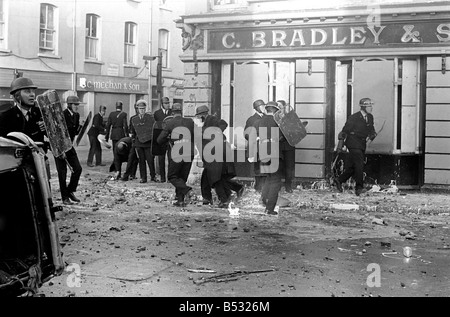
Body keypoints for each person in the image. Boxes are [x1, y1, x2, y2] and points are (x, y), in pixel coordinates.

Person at [195, 105, 244, 208]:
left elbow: (223, 123)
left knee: (216, 178)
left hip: (216, 155)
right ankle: (210, 198)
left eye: (199, 116)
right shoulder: (206, 123)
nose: (199, 118)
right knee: (208, 178)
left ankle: (224, 199)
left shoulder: (211, 119)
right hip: (215, 154)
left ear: (203, 114)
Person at [334, 97, 377, 196]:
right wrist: (342, 144)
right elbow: (345, 130)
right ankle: (359, 188)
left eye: (371, 106)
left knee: (354, 166)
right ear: (363, 107)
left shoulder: (370, 117)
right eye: (369, 106)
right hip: (353, 143)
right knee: (359, 164)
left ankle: (339, 180)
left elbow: (371, 129)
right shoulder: (354, 117)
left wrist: (372, 134)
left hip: (362, 144)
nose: (371, 108)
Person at [157, 103, 195, 207]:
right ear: (181, 112)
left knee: (172, 176)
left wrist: (169, 137)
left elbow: (159, 140)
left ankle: (187, 191)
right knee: (182, 177)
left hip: (177, 152)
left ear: (172, 112)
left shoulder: (170, 123)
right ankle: (180, 200)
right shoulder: (190, 122)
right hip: (190, 152)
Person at [53, 95, 83, 205]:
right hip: (59, 147)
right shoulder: (61, 115)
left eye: (77, 105)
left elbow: (74, 132)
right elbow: (56, 133)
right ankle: (64, 197)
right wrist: (61, 150)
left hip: (69, 146)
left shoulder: (76, 115)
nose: (77, 107)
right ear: (69, 105)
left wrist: (81, 127)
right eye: (75, 105)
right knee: (62, 172)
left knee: (78, 169)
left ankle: (70, 191)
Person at [258, 101, 286, 215]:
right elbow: (284, 136)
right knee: (275, 181)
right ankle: (270, 208)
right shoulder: (277, 121)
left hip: (263, 152)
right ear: (275, 110)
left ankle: (264, 200)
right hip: (274, 152)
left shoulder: (260, 121)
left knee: (268, 178)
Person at [0, 77, 46, 145]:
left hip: (40, 154)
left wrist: (48, 129)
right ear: (17, 96)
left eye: (33, 91)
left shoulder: (41, 113)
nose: (32, 94)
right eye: (27, 91)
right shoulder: (5, 117)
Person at [130, 99, 156, 183]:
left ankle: (153, 176)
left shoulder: (150, 118)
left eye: (143, 109)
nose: (142, 110)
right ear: (137, 109)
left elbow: (153, 129)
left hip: (148, 143)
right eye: (140, 109)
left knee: (150, 160)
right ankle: (143, 177)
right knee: (141, 161)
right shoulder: (134, 119)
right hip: (139, 143)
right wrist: (134, 141)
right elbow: (132, 131)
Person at [244, 99, 266, 192]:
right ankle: (258, 188)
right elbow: (246, 134)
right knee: (257, 169)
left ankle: (264, 188)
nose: (264, 108)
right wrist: (255, 137)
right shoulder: (251, 119)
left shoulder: (266, 118)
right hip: (256, 147)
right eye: (262, 106)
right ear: (257, 108)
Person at [105, 101, 128, 179]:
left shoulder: (111, 114)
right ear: (121, 107)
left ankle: (116, 170)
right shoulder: (124, 114)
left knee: (115, 153)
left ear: (116, 107)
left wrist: (106, 137)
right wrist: (127, 136)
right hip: (121, 134)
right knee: (121, 152)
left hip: (114, 135)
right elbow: (125, 126)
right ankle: (118, 170)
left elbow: (108, 126)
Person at [276, 100, 295, 193]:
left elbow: (295, 131)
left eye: (280, 106)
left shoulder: (290, 117)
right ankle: (277, 186)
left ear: (284, 107)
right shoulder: (274, 118)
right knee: (278, 166)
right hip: (277, 146)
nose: (278, 107)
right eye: (277, 106)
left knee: (289, 167)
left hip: (288, 145)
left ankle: (288, 186)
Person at [153, 96, 173, 183]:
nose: (168, 105)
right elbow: (156, 127)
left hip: (170, 139)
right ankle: (162, 177)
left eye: (168, 103)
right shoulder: (157, 113)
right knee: (161, 159)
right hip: (161, 138)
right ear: (162, 104)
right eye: (166, 103)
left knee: (170, 159)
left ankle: (169, 177)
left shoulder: (172, 113)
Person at [121, 103, 139, 181]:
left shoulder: (136, 118)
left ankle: (132, 174)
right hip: (134, 141)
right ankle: (128, 175)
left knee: (135, 159)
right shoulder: (133, 118)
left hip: (140, 141)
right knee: (132, 158)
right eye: (136, 108)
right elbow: (130, 129)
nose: (137, 110)